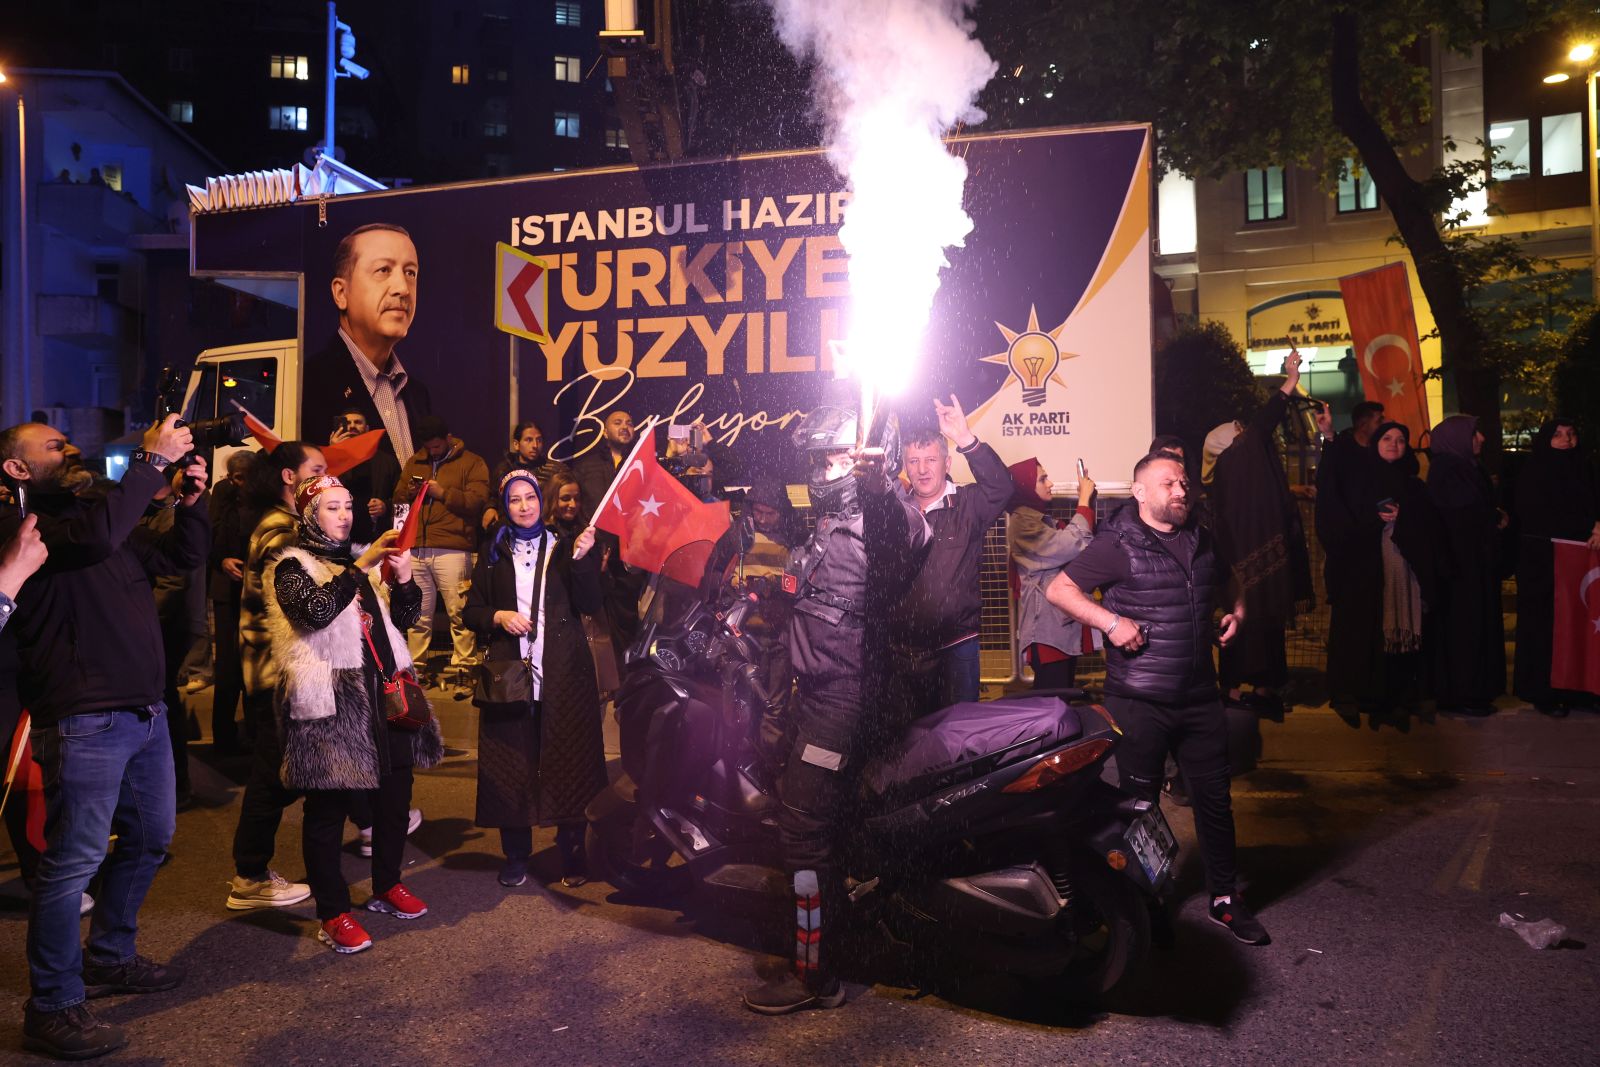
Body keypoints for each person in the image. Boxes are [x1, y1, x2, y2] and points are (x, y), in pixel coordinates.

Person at [0, 416, 209, 1060]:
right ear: (15, 467)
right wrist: (148, 463)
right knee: (73, 863)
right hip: (84, 716)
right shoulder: (26, 527)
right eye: (53, 445)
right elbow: (93, 542)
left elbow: (176, 554)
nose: (70, 449)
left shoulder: (95, 510)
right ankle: (53, 1004)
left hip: (144, 713)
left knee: (151, 837)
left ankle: (110, 955)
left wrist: (191, 505)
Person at [743, 397, 930, 1015]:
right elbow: (814, 586)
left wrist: (875, 487)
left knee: (802, 834)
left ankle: (815, 976)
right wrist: (772, 588)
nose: (822, 472)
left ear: (869, 462)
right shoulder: (828, 526)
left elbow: (899, 541)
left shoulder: (888, 517)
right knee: (832, 829)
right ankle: (851, 935)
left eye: (834, 460)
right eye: (820, 460)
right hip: (815, 693)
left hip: (842, 703)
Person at [1045, 450, 1269, 946]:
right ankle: (1144, 904)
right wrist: (1111, 622)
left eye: (1184, 483)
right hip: (1139, 701)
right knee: (1139, 807)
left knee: (1215, 801)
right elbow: (1059, 590)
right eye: (1170, 483)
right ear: (1142, 492)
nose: (1182, 490)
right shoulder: (1116, 545)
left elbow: (1228, 574)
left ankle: (1225, 900)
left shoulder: (1202, 537)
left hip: (1199, 698)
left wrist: (1236, 608)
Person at [265, 476, 443, 954]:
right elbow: (313, 612)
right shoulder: (291, 565)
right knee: (326, 814)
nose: (344, 516)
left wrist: (403, 579)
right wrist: (361, 568)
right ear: (309, 515)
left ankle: (386, 885)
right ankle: (333, 911)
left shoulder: (359, 559)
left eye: (348, 506)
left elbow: (404, 620)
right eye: (332, 508)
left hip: (385, 698)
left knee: (394, 802)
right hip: (334, 705)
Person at [463, 470, 604, 888]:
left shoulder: (565, 546)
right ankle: (516, 855)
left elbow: (591, 604)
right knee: (512, 765)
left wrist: (582, 562)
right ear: (505, 506)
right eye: (514, 500)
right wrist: (498, 616)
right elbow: (472, 612)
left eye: (530, 498)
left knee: (570, 762)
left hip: (564, 674)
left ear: (542, 501)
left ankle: (573, 851)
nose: (524, 506)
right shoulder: (493, 551)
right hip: (512, 676)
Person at [226, 442, 325, 913]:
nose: (328, 480)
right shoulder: (283, 529)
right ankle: (249, 875)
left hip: (279, 669)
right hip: (277, 671)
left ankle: (370, 823)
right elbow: (297, 609)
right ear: (290, 477)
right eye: (318, 470)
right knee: (273, 774)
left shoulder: (280, 524)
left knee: (295, 765)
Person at [1202, 351, 1314, 716]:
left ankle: (1248, 693)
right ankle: (1249, 693)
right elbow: (1263, 426)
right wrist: (1290, 380)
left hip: (1243, 571)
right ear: (1226, 447)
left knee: (1257, 628)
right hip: (1253, 571)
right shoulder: (1236, 461)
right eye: (1238, 435)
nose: (1245, 436)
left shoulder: (1230, 474)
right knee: (1253, 628)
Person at [888, 396, 1012, 715]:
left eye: (930, 460)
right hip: (905, 651)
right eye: (913, 461)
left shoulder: (969, 504)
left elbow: (1002, 488)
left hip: (958, 647)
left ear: (947, 463)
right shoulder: (895, 513)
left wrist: (965, 439)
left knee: (959, 740)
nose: (922, 469)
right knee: (910, 741)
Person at [302, 222, 432, 469]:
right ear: (341, 293)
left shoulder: (417, 394)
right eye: (383, 270)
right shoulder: (309, 384)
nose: (403, 289)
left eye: (410, 273)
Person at [392, 414, 489, 690]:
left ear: (448, 439)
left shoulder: (471, 462)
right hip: (418, 547)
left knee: (460, 613)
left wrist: (443, 492)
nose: (432, 452)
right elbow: (397, 499)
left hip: (453, 548)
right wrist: (411, 493)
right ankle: (416, 668)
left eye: (437, 446)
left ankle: (464, 667)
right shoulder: (415, 462)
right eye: (429, 448)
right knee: (419, 615)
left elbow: (477, 501)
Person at [1513, 419, 1600, 715]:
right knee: (1547, 627)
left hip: (1579, 563)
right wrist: (1588, 526)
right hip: (1544, 564)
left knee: (1578, 625)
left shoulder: (1585, 469)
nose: (1566, 440)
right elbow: (1538, 512)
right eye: (1558, 435)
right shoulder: (1534, 471)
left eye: (1571, 434)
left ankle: (1580, 689)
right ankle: (1545, 691)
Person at [1425, 414, 1507, 716]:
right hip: (1461, 569)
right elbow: (1460, 518)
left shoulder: (1467, 468)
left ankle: (1474, 689)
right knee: (1464, 628)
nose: (1482, 439)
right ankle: (1464, 692)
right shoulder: (1449, 471)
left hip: (1473, 564)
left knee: (1474, 625)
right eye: (1474, 434)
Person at [1362, 422, 1444, 718]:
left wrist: (1404, 516)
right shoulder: (1363, 481)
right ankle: (1382, 696)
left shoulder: (1414, 485)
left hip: (1409, 571)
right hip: (1374, 572)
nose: (1394, 444)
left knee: (1412, 629)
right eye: (1386, 438)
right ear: (1375, 443)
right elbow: (1351, 522)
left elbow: (1430, 524)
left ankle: (1410, 693)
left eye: (1400, 439)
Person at [1316, 401, 1386, 707]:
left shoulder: (1376, 454)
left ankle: (1369, 686)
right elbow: (1329, 489)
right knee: (1347, 622)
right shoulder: (1343, 451)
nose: (1383, 425)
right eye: (1379, 420)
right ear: (1363, 424)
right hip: (1348, 551)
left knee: (1373, 621)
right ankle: (1344, 689)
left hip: (1374, 550)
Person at [1008, 458, 1097, 690]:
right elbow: (1074, 544)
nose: (1050, 484)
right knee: (1051, 707)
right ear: (1025, 486)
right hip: (1047, 633)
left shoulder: (1037, 520)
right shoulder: (1024, 524)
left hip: (1057, 629)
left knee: (1059, 704)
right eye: (1042, 479)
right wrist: (1084, 500)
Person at [208, 452, 254, 754]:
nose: (243, 485)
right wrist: (222, 559)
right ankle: (223, 738)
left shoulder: (262, 497)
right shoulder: (222, 497)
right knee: (227, 667)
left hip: (254, 589)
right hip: (227, 589)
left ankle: (253, 734)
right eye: (238, 479)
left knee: (254, 665)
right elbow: (211, 535)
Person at [330, 407, 402, 546]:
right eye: (347, 423)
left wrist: (385, 506)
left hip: (375, 538)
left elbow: (403, 500)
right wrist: (333, 452)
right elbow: (319, 491)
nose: (352, 426)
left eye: (358, 422)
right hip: (338, 538)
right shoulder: (329, 458)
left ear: (367, 428)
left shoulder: (386, 461)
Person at [484, 421, 570, 531]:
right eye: (528, 440)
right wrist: (490, 508)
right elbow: (493, 496)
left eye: (539, 440)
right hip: (509, 530)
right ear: (516, 444)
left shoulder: (556, 470)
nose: (535, 445)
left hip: (545, 530)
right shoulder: (503, 469)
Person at [570, 409, 636, 525]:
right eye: (617, 423)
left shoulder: (641, 463)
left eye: (629, 423)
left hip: (632, 538)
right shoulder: (585, 467)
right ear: (605, 433)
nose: (625, 427)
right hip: (594, 539)